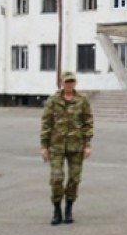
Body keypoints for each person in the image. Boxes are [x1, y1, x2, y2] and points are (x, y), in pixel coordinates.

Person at [40, 71, 94, 225]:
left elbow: (88, 122)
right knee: (56, 178)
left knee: (74, 179)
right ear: (61, 83)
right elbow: (46, 124)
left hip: (76, 146)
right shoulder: (53, 101)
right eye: (66, 82)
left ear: (75, 83)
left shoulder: (82, 100)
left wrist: (87, 144)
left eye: (72, 82)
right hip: (56, 146)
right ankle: (57, 209)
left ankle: (69, 209)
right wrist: (44, 146)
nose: (69, 85)